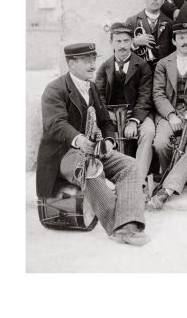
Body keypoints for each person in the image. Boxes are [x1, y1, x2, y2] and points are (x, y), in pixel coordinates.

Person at [36, 43, 149, 246]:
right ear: (71, 63)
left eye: (93, 59)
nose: (92, 64)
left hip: (93, 149)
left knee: (130, 164)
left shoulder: (92, 86)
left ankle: (129, 222)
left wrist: (108, 141)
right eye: (86, 60)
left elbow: (105, 121)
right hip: (63, 155)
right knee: (89, 167)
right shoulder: (54, 89)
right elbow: (56, 124)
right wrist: (79, 140)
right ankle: (120, 227)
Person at [149, 23, 187, 210]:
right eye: (181, 38)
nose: (185, 42)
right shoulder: (162, 64)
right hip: (169, 114)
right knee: (160, 143)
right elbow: (158, 94)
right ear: (174, 41)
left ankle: (166, 190)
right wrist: (171, 115)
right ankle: (177, 175)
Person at [94, 23, 156, 199]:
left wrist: (134, 120)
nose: (122, 45)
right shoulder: (104, 67)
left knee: (149, 133)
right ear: (111, 42)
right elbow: (99, 97)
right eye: (118, 41)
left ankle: (138, 182)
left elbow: (145, 97)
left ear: (131, 42)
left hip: (138, 114)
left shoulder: (142, 65)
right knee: (101, 137)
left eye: (126, 41)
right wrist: (108, 116)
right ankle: (110, 181)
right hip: (112, 116)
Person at [127, 0, 174, 72]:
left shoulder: (170, 24)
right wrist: (134, 43)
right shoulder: (132, 22)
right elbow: (121, 50)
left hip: (162, 73)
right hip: (138, 74)